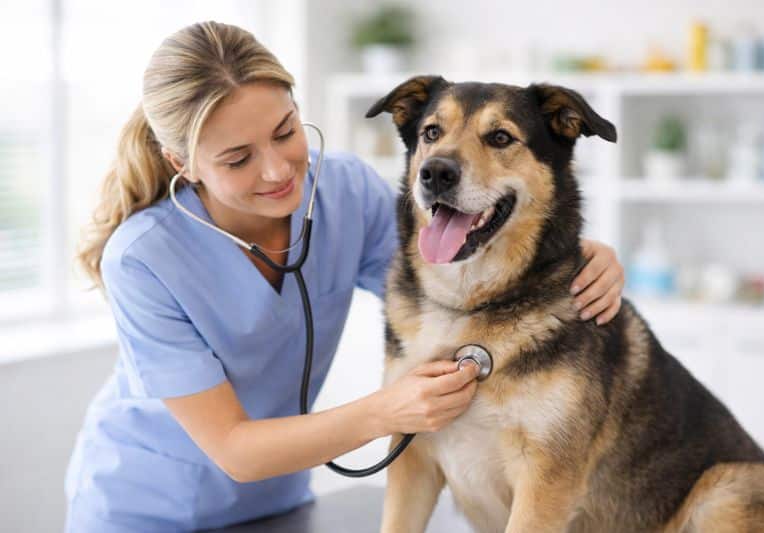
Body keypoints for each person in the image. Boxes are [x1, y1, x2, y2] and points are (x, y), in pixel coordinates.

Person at [66, 21, 626, 532]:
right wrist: (388, 410)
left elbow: (455, 276)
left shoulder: (343, 192)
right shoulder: (143, 258)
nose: (277, 170)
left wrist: (578, 255)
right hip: (144, 509)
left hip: (277, 498)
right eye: (237, 159)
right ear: (182, 164)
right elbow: (234, 448)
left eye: (285, 131)